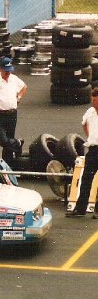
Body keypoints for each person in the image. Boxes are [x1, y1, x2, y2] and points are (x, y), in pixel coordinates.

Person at [0, 57, 27, 166]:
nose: (8, 73)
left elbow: (24, 86)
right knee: (3, 141)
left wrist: (19, 97)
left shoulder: (14, 79)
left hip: (12, 114)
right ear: (0, 69)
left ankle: (7, 165)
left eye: (9, 71)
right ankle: (18, 143)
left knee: (7, 144)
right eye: (6, 71)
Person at [66, 87, 98, 218]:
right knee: (86, 180)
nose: (95, 104)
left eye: (97, 101)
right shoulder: (90, 112)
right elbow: (84, 123)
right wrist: (90, 137)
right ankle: (80, 210)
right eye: (94, 101)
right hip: (93, 149)